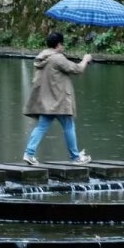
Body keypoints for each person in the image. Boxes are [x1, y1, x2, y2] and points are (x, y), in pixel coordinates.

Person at [22, 32, 93, 165]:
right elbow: (77, 69)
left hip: (47, 103)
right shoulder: (57, 58)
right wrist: (85, 60)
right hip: (59, 102)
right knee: (69, 127)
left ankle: (29, 153)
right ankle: (75, 157)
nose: (63, 47)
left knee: (41, 127)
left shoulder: (43, 57)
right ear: (58, 45)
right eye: (62, 44)